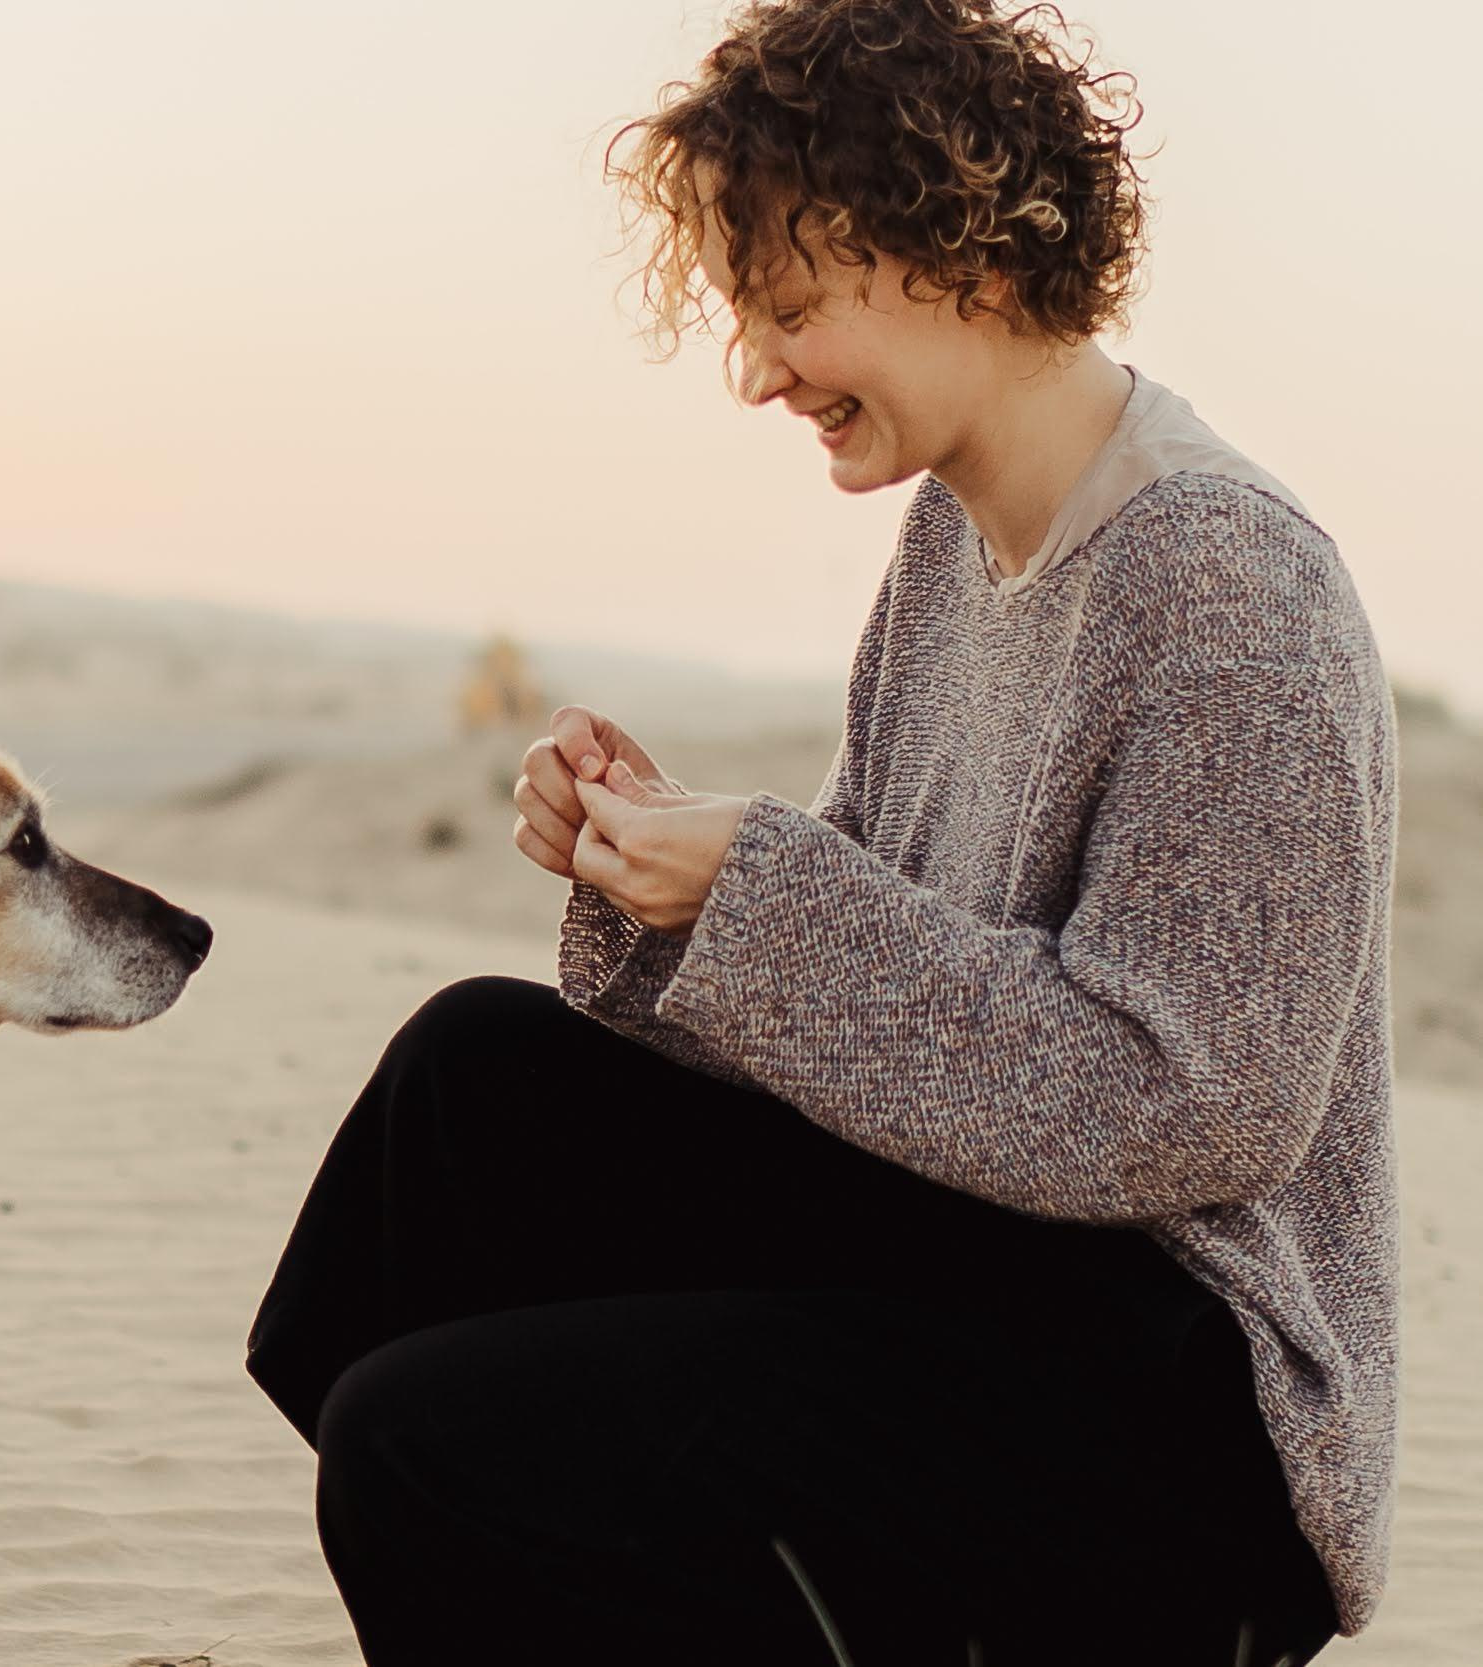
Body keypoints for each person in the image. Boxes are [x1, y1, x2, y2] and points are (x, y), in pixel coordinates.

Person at [243, 2, 1399, 1663]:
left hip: (1189, 1420)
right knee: (465, 1091)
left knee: (428, 1437)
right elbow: (878, 1011)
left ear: (974, 261)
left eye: (790, 310)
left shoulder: (1227, 587)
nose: (758, 372)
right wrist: (664, 884)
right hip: (993, 1267)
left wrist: (766, 894)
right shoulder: (952, 544)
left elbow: (1196, 1108)